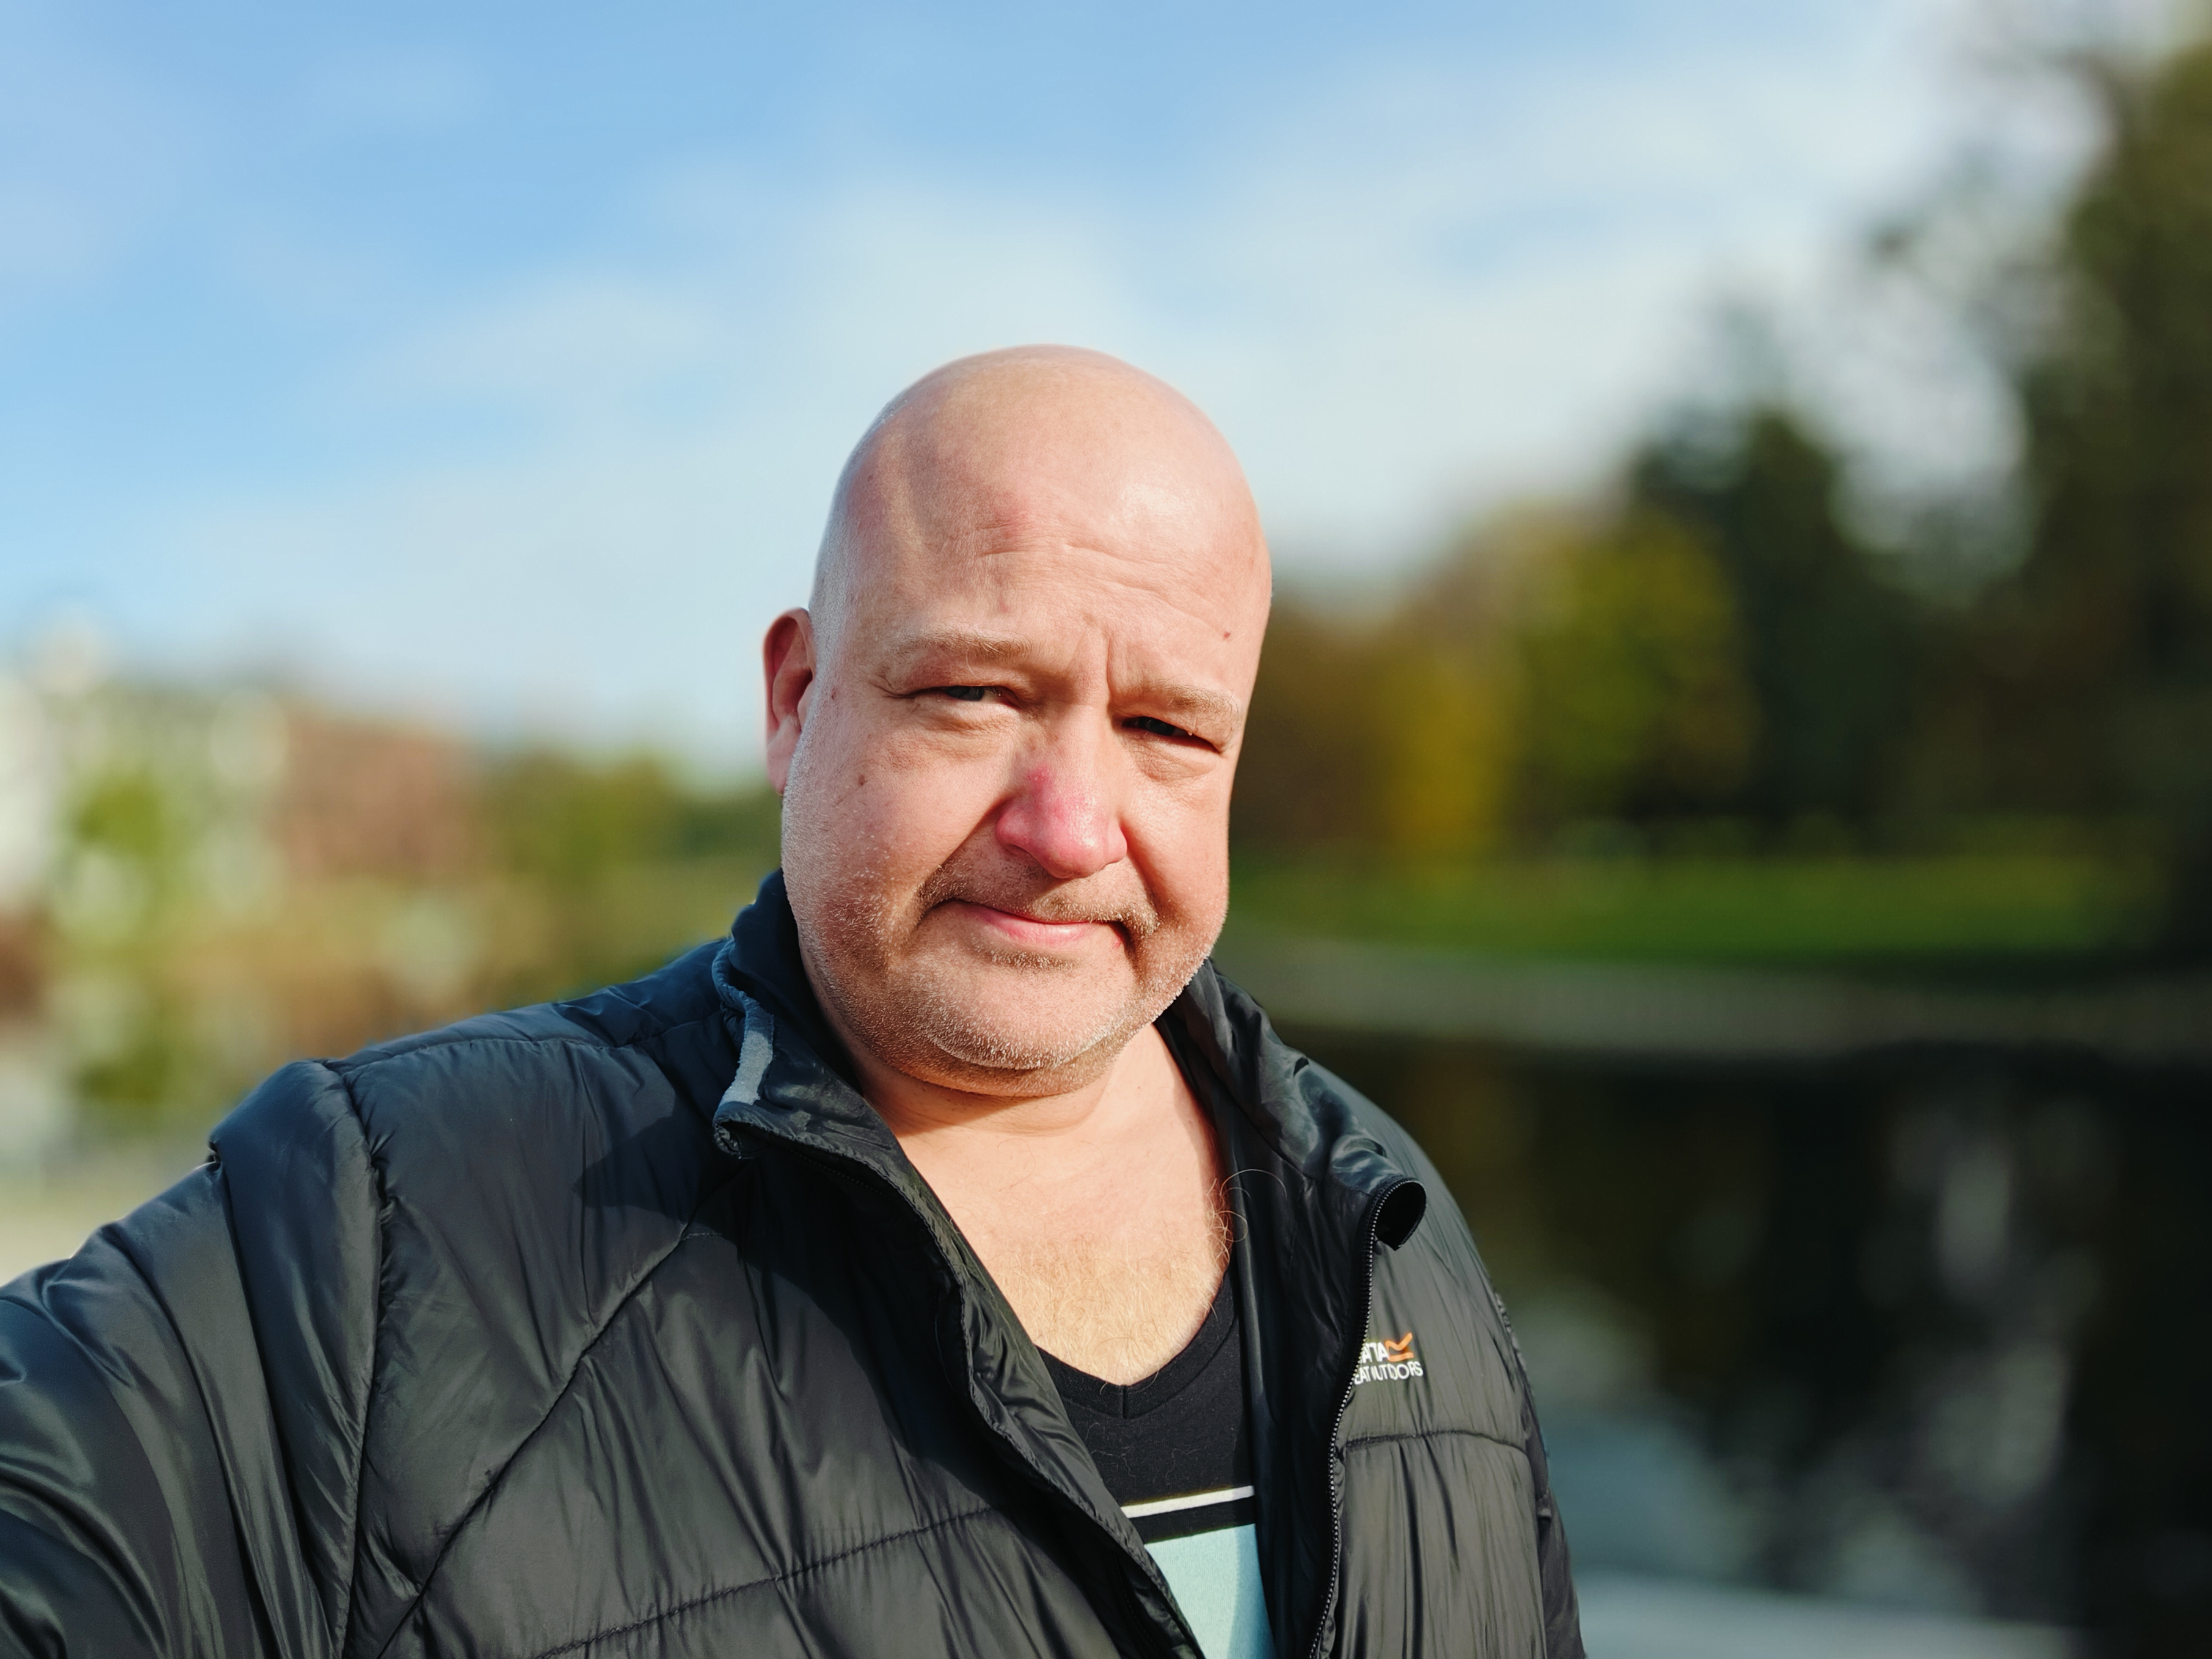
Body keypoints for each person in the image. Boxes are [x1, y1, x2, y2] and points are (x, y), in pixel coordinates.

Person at [0, 347, 1581, 1659]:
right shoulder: (383, 1233)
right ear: (794, 699)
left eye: (1169, 729)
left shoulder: (1385, 1220)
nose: (1071, 827)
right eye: (973, 693)